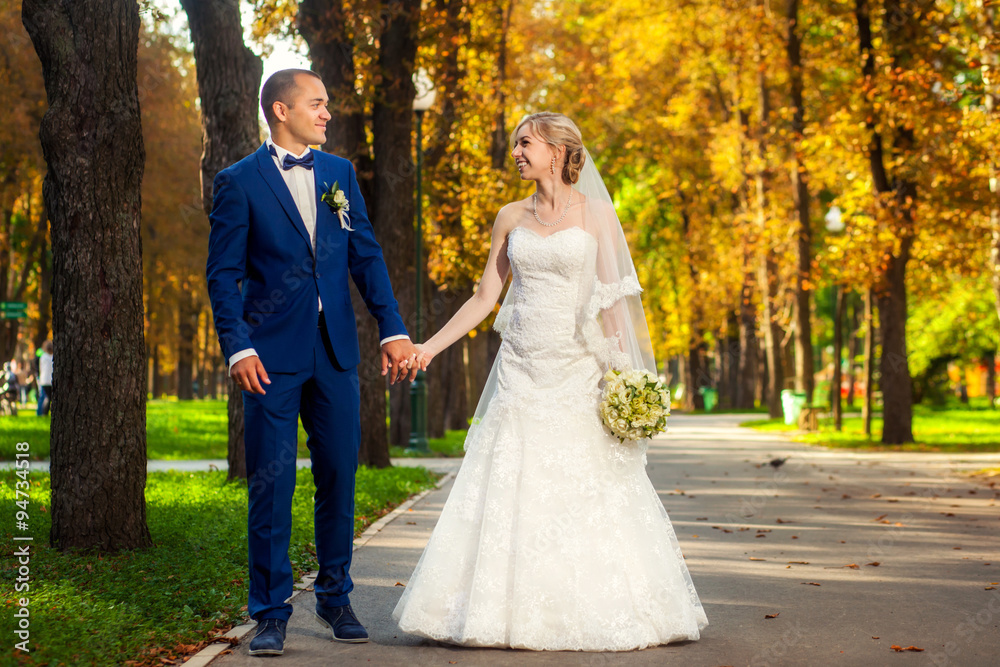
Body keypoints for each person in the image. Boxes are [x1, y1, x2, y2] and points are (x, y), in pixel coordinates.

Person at [392, 113, 709, 650]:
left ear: (559, 150)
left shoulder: (599, 215)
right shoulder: (510, 216)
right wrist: (427, 348)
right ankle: (494, 612)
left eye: (525, 143)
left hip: (578, 371)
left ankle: (596, 608)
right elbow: (484, 298)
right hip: (519, 370)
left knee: (586, 486)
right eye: (515, 144)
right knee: (509, 481)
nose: (515, 152)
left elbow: (613, 304)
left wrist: (628, 381)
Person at [206, 68, 422, 657]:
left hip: (336, 355)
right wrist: (239, 346)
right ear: (281, 110)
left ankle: (335, 597)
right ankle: (270, 612)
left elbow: (367, 257)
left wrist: (393, 328)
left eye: (327, 104)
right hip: (268, 360)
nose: (328, 113)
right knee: (270, 488)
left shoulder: (339, 174)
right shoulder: (238, 182)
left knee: (338, 477)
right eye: (317, 104)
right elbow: (223, 276)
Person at [36, 341, 53, 416]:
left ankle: (40, 412)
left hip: (43, 380)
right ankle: (44, 413)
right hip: (49, 380)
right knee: (48, 397)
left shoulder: (43, 356)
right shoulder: (51, 357)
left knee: (43, 397)